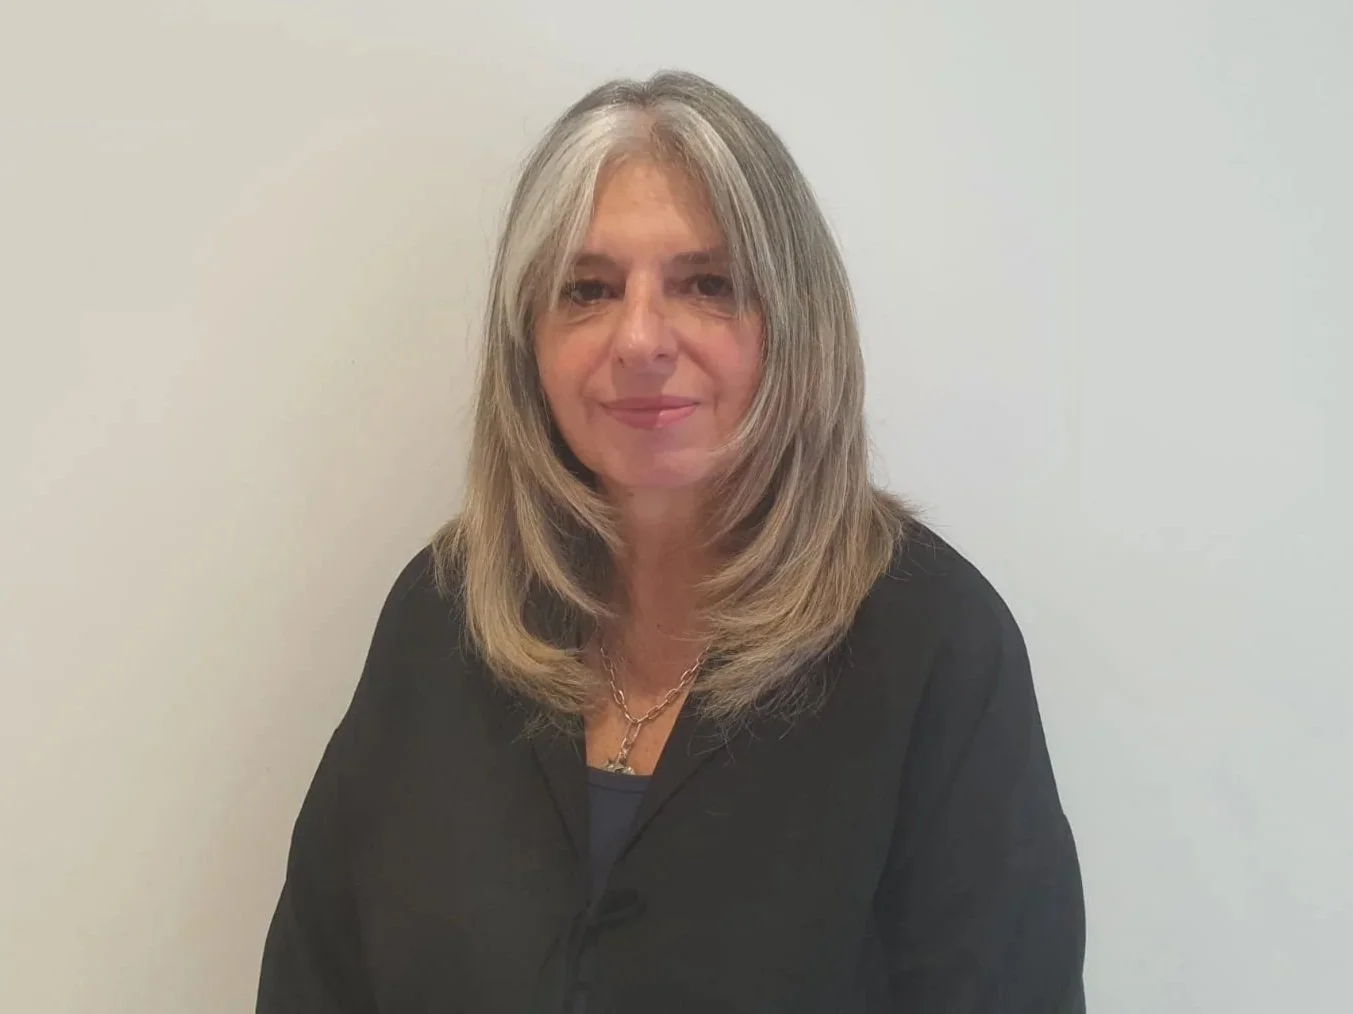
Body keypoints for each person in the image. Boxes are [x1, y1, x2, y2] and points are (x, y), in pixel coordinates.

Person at [256, 70, 1085, 1013]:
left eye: (706, 285)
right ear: (527, 340)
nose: (641, 337)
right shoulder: (445, 611)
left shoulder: (932, 644)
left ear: (795, 325)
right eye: (588, 289)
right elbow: (316, 974)